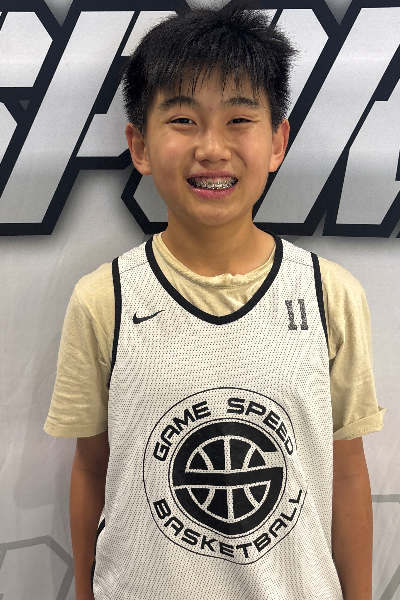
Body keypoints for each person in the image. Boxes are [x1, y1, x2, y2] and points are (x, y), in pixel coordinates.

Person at [44, 5, 387, 600]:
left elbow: (348, 475)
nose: (211, 148)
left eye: (238, 119)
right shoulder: (104, 299)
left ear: (277, 142)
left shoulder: (330, 294)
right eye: (183, 119)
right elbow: (92, 468)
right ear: (140, 145)